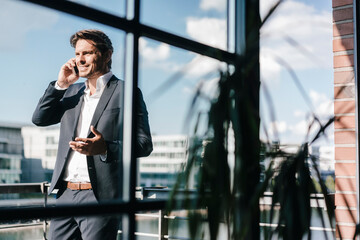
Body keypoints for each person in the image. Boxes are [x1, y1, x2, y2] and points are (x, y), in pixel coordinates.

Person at [32, 29, 153, 240]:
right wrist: (60, 85)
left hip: (100, 196)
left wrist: (105, 147)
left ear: (107, 55)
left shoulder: (127, 92)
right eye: (77, 54)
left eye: (87, 53)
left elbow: (144, 144)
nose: (80, 59)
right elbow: (40, 119)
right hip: (65, 193)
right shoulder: (71, 91)